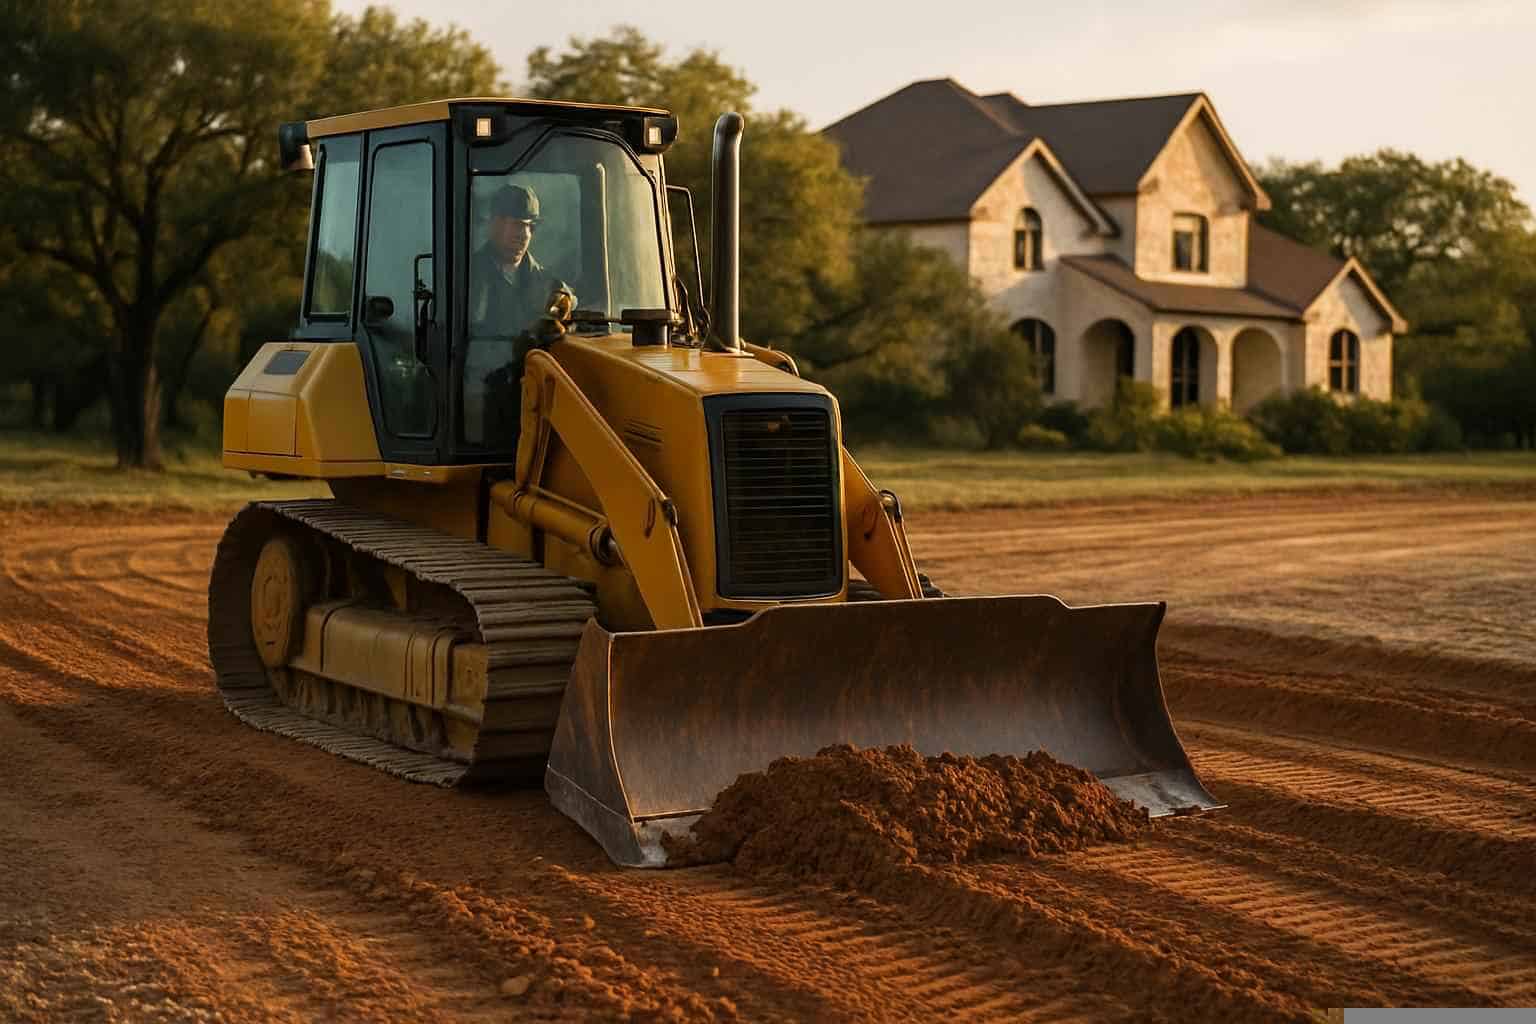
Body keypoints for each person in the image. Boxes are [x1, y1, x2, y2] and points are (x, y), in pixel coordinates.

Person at [468, 183, 560, 333]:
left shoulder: (547, 283)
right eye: (517, 225)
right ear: (495, 224)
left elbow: (575, 308)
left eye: (530, 226)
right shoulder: (465, 276)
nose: (524, 235)